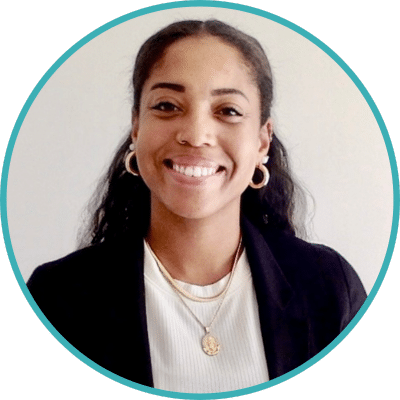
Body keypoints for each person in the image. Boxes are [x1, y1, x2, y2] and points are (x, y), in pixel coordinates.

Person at [27, 20, 367, 393]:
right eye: (168, 105)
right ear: (136, 127)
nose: (196, 134)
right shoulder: (57, 297)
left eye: (228, 111)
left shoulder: (329, 286)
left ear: (262, 140)